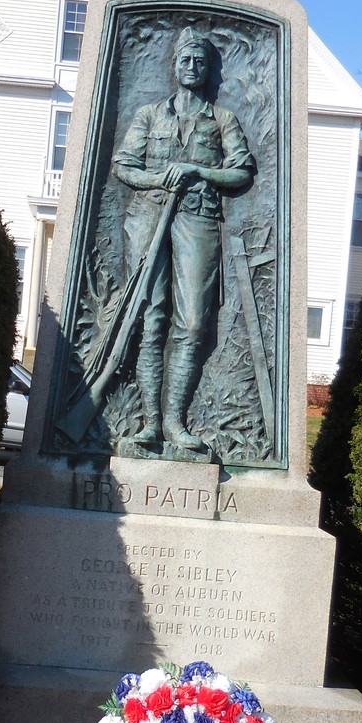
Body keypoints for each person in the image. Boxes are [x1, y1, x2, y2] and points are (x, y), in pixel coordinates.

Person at [112, 27, 255, 451]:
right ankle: (151, 423)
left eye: (200, 61)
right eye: (185, 60)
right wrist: (158, 178)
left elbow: (242, 172)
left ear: (208, 69)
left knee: (192, 322)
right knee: (151, 317)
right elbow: (124, 165)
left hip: (198, 219)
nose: (192, 67)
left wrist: (198, 171)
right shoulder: (149, 115)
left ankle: (176, 421)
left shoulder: (222, 120)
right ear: (174, 66)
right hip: (147, 218)